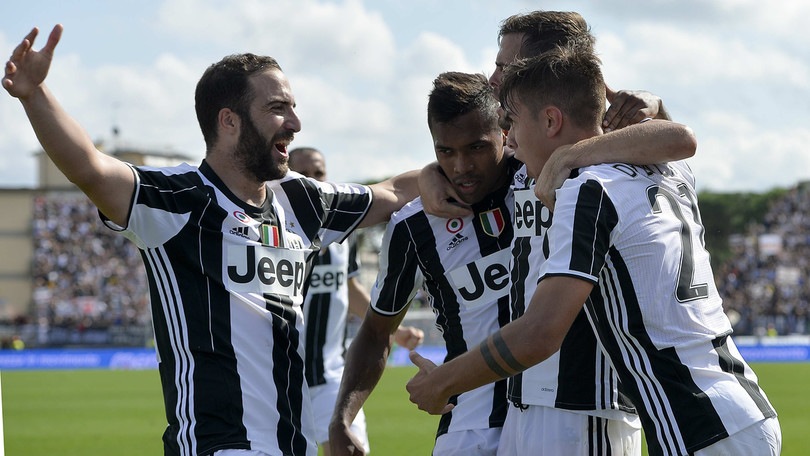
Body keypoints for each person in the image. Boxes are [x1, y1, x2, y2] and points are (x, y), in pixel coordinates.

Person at [3, 25, 433, 456]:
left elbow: (395, 192)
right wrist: (35, 95)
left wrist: (490, 159)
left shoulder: (302, 199)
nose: (296, 124)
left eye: (293, 108)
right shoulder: (178, 199)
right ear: (229, 121)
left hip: (291, 445)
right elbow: (91, 169)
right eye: (278, 108)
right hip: (217, 446)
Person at [406, 45, 781, 456]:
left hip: (695, 424)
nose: (509, 138)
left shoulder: (587, 189)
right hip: (738, 407)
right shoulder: (668, 167)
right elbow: (676, 137)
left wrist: (443, 381)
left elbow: (540, 331)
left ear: (550, 119)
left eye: (512, 122)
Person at [288, 147, 424, 455]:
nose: (313, 182)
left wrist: (395, 330)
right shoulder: (270, 230)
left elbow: (347, 289)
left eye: (318, 174)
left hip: (331, 377)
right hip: (282, 378)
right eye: (304, 175)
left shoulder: (341, 231)